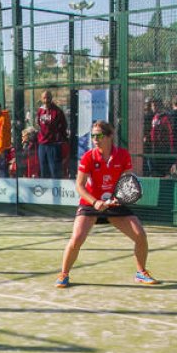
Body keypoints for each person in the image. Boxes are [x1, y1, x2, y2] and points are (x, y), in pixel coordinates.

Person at [55, 120, 159, 289]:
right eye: (93, 136)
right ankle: (63, 274)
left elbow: (127, 181)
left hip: (114, 204)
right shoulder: (88, 157)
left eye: (99, 135)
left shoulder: (123, 155)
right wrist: (95, 202)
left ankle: (141, 272)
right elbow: (79, 186)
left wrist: (118, 198)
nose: (95, 139)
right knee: (77, 239)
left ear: (110, 136)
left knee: (140, 235)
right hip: (90, 203)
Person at [36, 90, 67, 178]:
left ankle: (56, 187)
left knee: (54, 171)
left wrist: (58, 137)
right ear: (41, 99)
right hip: (42, 145)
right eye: (44, 98)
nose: (46, 100)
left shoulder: (57, 111)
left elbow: (63, 126)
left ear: (51, 98)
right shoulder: (40, 111)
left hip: (53, 145)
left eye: (48, 98)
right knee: (43, 170)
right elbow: (39, 124)